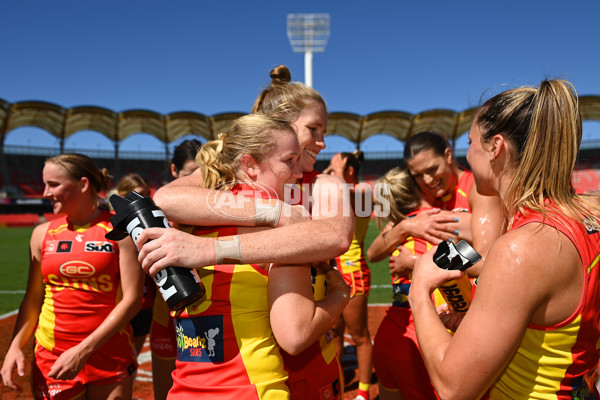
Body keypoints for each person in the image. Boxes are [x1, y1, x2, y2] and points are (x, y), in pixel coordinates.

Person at [137, 65, 353, 399]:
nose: (323, 143)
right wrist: (274, 210)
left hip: (306, 366)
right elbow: (167, 198)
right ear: (281, 124)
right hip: (248, 366)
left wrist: (213, 247)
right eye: (314, 129)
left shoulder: (325, 185)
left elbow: (335, 236)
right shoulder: (232, 183)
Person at [408, 79, 600, 399]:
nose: (466, 154)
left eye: (469, 142)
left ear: (495, 147)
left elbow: (453, 387)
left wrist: (419, 287)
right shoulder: (584, 218)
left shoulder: (523, 245)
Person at [1, 153, 144, 399]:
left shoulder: (119, 231)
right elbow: (33, 299)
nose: (45, 192)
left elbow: (132, 300)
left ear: (83, 184)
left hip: (110, 352)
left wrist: (83, 351)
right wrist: (15, 347)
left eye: (53, 184)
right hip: (53, 354)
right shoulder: (41, 234)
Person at [370, 166, 471, 400]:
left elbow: (373, 254)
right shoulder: (442, 220)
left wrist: (412, 258)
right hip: (421, 343)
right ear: (418, 187)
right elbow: (469, 264)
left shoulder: (398, 225)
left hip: (389, 336)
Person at [367, 130, 503, 280]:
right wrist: (406, 226)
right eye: (418, 175)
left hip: (471, 298)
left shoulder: (477, 189)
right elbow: (373, 253)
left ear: (448, 156)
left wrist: (415, 262)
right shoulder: (424, 195)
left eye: (432, 170)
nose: (427, 180)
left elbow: (486, 262)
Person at [151, 138, 203, 400]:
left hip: (208, 312)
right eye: (189, 172)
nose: (197, 179)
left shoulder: (218, 203)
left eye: (203, 171)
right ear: (174, 171)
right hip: (166, 313)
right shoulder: (154, 210)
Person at [324, 151, 373, 400]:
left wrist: (337, 172)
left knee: (360, 335)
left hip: (353, 271)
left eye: (335, 171)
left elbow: (342, 191)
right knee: (335, 332)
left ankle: (363, 392)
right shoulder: (336, 191)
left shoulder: (362, 192)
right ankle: (338, 384)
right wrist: (330, 172)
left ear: (349, 170)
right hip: (332, 271)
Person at [111, 173, 155, 357]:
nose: (142, 199)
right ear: (121, 195)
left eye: (146, 194)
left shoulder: (151, 221)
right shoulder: (108, 227)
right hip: (117, 305)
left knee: (131, 358)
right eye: (137, 193)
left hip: (145, 304)